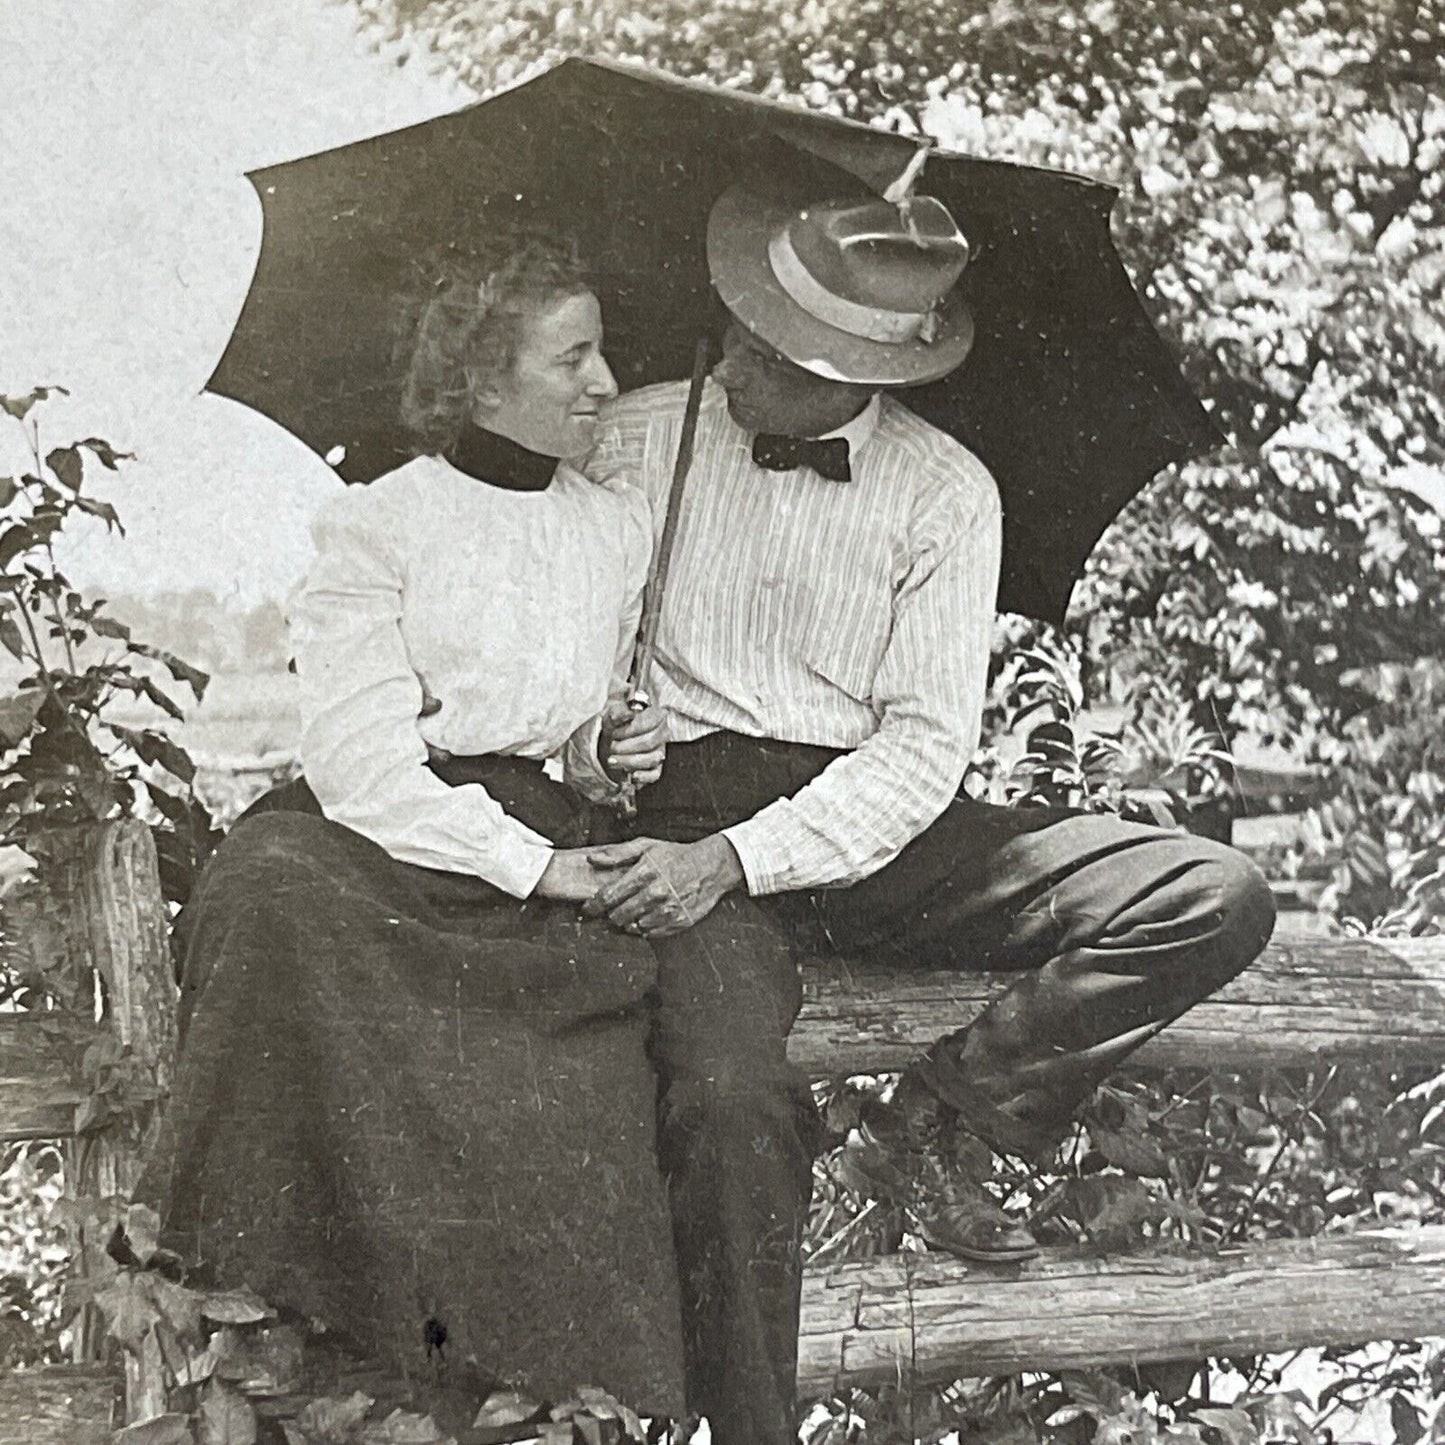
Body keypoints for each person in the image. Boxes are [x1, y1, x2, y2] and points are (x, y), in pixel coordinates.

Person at [584, 181, 1277, 1445]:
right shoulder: (635, 438)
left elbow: (918, 750)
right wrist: (600, 729)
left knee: (1211, 894)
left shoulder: (946, 492)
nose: (727, 353)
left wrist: (742, 857)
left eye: (764, 349)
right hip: (681, 812)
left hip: (865, 825)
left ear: (851, 369)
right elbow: (541, 642)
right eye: (733, 323)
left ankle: (937, 1119)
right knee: (731, 1102)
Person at [135, 236, 687, 1420]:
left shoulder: (614, 528)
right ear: (483, 380)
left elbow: (556, 727)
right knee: (271, 883)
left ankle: (526, 1385)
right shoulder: (377, 525)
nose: (604, 383)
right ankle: (295, 1325)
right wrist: (538, 868)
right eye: (573, 356)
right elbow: (358, 763)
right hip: (391, 836)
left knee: (593, 1010)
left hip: (540, 834)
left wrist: (605, 748)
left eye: (604, 351)